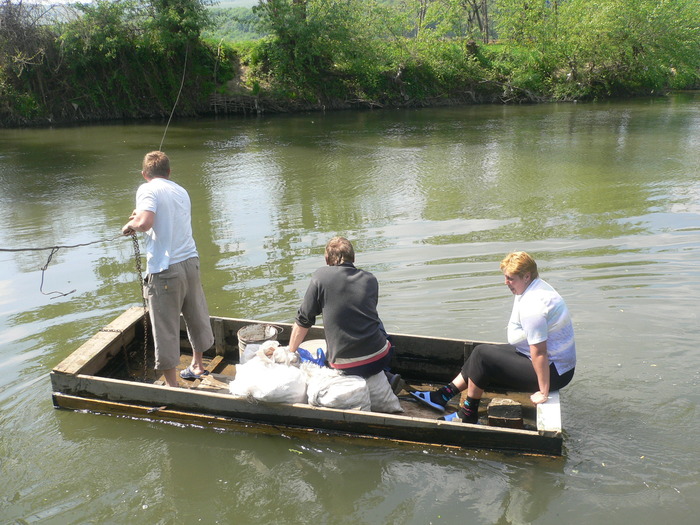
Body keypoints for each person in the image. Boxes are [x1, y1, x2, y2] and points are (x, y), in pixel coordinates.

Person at [411, 251, 576, 423]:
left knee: (483, 356)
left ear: (526, 276)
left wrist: (543, 392)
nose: (506, 282)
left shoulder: (534, 306)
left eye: (510, 278)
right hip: (551, 363)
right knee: (479, 352)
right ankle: (442, 395)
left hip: (554, 372)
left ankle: (468, 414)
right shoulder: (534, 286)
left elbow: (540, 353)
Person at [121, 151, 214, 387]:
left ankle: (172, 387)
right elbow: (164, 218)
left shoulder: (146, 189)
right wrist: (140, 217)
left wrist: (130, 224)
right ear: (169, 172)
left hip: (165, 268)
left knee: (165, 326)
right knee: (195, 314)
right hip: (190, 262)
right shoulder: (180, 190)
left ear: (144, 174)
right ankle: (198, 365)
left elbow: (145, 223)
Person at [286, 236, 401, 411]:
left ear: (327, 260)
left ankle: (381, 376)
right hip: (380, 359)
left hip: (344, 366)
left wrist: (290, 352)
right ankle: (386, 374)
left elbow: (303, 320)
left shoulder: (320, 276)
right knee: (376, 322)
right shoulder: (371, 279)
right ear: (353, 258)